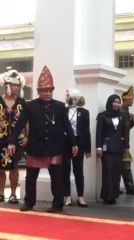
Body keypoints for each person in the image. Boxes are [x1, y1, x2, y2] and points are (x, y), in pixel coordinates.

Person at [8, 65, 78, 213]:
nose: (47, 93)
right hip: (35, 146)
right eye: (44, 91)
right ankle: (29, 202)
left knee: (57, 178)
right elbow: (20, 124)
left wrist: (74, 143)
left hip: (55, 147)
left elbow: (67, 126)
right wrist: (12, 141)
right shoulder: (30, 106)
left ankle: (57, 205)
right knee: (31, 177)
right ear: (38, 91)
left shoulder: (60, 106)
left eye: (50, 90)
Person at [0, 67, 27, 204]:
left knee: (15, 167)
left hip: (17, 140)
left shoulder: (22, 102)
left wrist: (26, 137)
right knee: (0, 168)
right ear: (7, 85)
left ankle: (13, 194)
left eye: (18, 85)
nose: (16, 88)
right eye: (14, 85)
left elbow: (27, 121)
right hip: (0, 139)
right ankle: (0, 193)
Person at [96, 94, 126, 204]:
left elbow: (124, 131)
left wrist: (126, 146)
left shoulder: (121, 116)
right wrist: (98, 147)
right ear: (110, 102)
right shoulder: (103, 116)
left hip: (118, 148)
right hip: (106, 148)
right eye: (114, 102)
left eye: (118, 102)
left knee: (116, 172)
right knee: (108, 171)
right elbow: (99, 132)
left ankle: (113, 195)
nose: (117, 104)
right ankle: (106, 196)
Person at [63, 89, 91, 207]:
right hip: (65, 143)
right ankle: (67, 197)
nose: (72, 100)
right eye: (70, 97)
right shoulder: (63, 110)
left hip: (79, 143)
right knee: (65, 170)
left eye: (74, 98)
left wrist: (88, 149)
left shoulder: (84, 112)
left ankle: (80, 196)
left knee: (78, 170)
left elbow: (86, 131)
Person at [120, 85, 134, 195]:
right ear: (127, 100)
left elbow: (127, 128)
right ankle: (130, 187)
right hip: (122, 144)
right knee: (126, 166)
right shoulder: (122, 111)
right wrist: (125, 145)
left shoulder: (126, 112)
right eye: (132, 99)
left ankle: (123, 187)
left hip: (123, 143)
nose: (133, 101)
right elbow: (122, 129)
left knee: (122, 166)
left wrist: (132, 121)